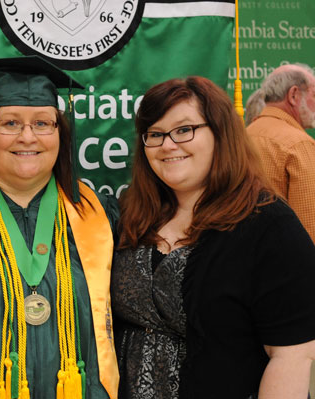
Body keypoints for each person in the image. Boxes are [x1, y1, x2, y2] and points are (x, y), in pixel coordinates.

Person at [112, 76, 315, 399]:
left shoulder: (269, 225)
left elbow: (291, 355)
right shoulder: (134, 214)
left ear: (221, 133)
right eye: (155, 134)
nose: (167, 144)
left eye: (184, 130)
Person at [0, 56, 119, 399]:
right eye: (10, 123)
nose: (27, 136)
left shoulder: (100, 215)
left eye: (43, 123)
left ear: (60, 135)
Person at [246, 63, 315, 242]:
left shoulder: (242, 137)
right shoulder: (299, 144)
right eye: (314, 95)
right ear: (294, 95)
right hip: (286, 262)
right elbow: (309, 227)